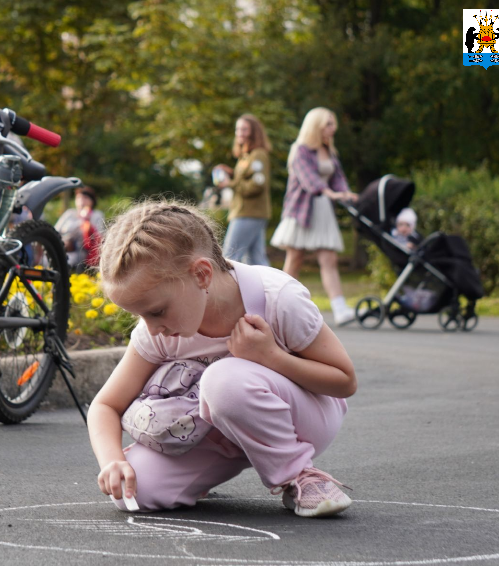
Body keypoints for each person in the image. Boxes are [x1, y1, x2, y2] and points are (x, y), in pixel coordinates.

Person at [88, 200, 357, 518]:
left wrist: (270, 356)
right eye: (139, 315)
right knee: (134, 492)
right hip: (216, 436)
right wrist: (112, 461)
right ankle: (202, 475)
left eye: (157, 311)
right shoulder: (157, 330)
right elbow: (106, 405)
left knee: (223, 381)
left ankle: (298, 476)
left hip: (301, 421)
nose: (151, 327)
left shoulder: (277, 299)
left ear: (201, 275)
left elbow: (344, 381)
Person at [270, 108, 358, 326]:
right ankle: (277, 307)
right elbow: (310, 181)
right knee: (295, 258)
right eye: (328, 123)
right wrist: (330, 193)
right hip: (302, 210)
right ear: (316, 125)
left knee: (329, 259)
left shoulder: (329, 151)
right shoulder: (300, 150)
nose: (333, 128)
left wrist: (345, 193)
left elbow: (338, 178)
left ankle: (339, 308)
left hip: (322, 212)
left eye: (333, 123)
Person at [214, 114, 272, 266]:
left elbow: (257, 185)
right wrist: (231, 173)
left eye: (244, 129)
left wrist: (230, 184)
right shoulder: (245, 156)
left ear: (254, 132)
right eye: (238, 129)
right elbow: (246, 178)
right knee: (256, 260)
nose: (240, 132)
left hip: (249, 212)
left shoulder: (258, 154)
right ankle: (269, 289)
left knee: (230, 256)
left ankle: (225, 290)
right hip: (249, 212)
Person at [54, 186, 106, 271]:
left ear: (92, 201)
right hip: (64, 241)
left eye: (85, 198)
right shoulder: (70, 213)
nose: (81, 201)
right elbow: (56, 230)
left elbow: (99, 235)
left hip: (83, 247)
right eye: (79, 198)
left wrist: (86, 221)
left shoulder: (96, 215)